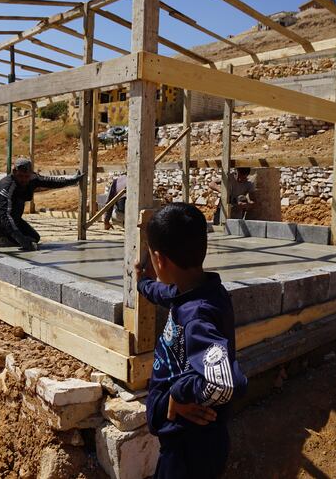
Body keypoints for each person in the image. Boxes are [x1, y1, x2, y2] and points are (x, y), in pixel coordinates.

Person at [135, 203, 247, 478]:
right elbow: (167, 293)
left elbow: (223, 382)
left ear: (159, 260)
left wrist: (179, 393)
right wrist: (143, 284)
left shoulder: (197, 316)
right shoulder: (198, 291)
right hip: (189, 442)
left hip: (190, 446)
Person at [0, 157, 83, 249]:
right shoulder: (7, 187)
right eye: (20, 176)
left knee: (34, 238)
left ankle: (7, 237)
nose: (24, 180)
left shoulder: (32, 178)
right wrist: (21, 239)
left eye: (26, 176)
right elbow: (5, 216)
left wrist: (72, 180)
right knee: (18, 235)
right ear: (14, 172)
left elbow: (51, 181)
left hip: (13, 217)